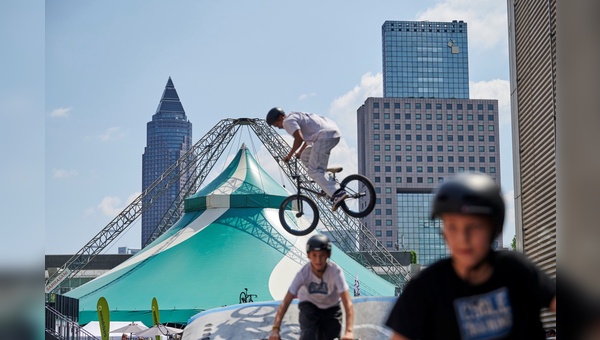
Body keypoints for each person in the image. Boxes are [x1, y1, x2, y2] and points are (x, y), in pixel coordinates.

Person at [385, 172, 557, 340]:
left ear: (494, 228)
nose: (463, 239)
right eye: (452, 227)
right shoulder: (424, 287)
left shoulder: (515, 269)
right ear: (443, 232)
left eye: (474, 226)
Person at [268, 234, 355, 340]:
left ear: (328, 254)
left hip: (331, 309)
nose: (318, 260)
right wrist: (275, 329)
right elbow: (285, 302)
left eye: (322, 255)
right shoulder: (303, 273)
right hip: (310, 308)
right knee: (308, 334)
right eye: (314, 255)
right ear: (308, 255)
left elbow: (347, 303)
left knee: (330, 335)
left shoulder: (335, 272)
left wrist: (349, 332)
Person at [266, 107, 348, 211]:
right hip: (330, 134)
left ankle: (337, 192)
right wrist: (300, 152)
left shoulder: (287, 121)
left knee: (313, 171)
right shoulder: (295, 115)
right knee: (305, 156)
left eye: (276, 124)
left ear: (280, 117)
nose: (278, 127)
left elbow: (299, 138)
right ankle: (326, 182)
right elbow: (306, 137)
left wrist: (289, 155)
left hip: (324, 137)